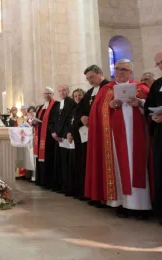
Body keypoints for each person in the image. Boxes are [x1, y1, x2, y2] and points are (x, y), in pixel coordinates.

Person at [87, 59, 151, 219]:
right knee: (117, 167)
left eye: (124, 69)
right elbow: (97, 113)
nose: (120, 71)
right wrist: (110, 106)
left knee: (138, 167)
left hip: (138, 138)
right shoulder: (106, 90)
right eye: (117, 69)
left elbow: (152, 108)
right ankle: (121, 204)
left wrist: (140, 103)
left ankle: (140, 206)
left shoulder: (141, 88)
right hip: (114, 140)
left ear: (131, 72)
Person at [75, 65, 110, 207]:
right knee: (94, 163)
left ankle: (106, 197)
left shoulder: (108, 88)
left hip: (105, 133)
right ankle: (96, 195)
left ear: (100, 74)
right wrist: (82, 117)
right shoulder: (90, 93)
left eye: (91, 77)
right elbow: (78, 111)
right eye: (88, 78)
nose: (89, 80)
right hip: (92, 135)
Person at [144, 50, 162, 225]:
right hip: (160, 134)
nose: (160, 66)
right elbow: (149, 106)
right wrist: (153, 116)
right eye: (159, 64)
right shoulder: (157, 84)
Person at [48, 85, 76, 194]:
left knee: (68, 164)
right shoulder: (58, 104)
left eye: (64, 90)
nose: (62, 92)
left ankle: (69, 187)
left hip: (66, 137)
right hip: (58, 137)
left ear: (68, 91)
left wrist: (62, 134)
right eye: (59, 91)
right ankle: (62, 185)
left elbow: (70, 121)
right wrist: (53, 132)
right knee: (61, 163)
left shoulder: (71, 103)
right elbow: (53, 121)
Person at [33, 87, 56, 189]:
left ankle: (48, 182)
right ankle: (40, 180)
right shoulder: (41, 107)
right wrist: (34, 122)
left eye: (49, 93)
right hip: (40, 135)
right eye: (45, 93)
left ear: (52, 94)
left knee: (48, 158)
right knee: (40, 159)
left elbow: (55, 120)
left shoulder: (56, 105)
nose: (46, 95)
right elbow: (38, 119)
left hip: (49, 137)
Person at [67, 88, 86, 200]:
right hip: (74, 140)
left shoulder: (85, 108)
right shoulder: (74, 109)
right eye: (75, 96)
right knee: (75, 164)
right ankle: (76, 189)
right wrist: (69, 133)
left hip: (82, 139)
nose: (78, 97)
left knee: (82, 164)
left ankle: (83, 192)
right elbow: (71, 122)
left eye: (80, 95)